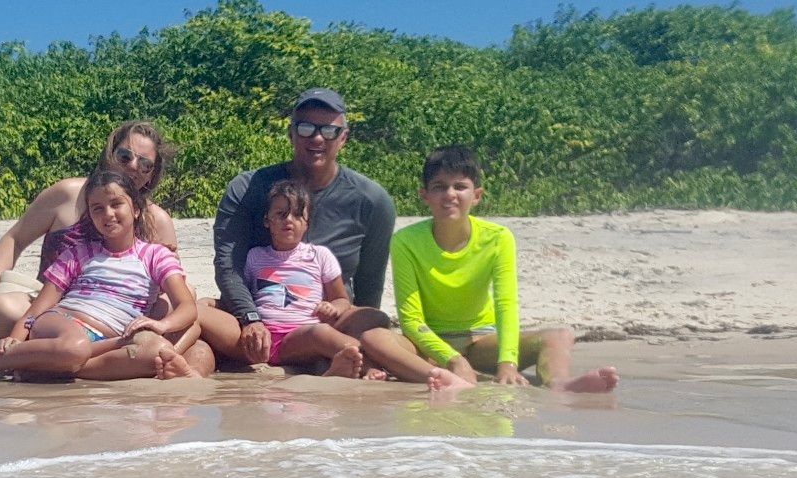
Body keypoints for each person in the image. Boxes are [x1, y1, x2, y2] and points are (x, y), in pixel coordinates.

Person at [0, 120, 213, 376]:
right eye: (125, 156)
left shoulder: (157, 220)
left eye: (145, 164)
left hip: (117, 315)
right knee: (1, 307)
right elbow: (13, 239)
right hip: (52, 307)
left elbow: (171, 286)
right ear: (110, 154)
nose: (133, 166)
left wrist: (157, 323)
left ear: (153, 173)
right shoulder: (67, 194)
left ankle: (57, 362)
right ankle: (104, 359)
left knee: (190, 308)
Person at [378, 145, 620, 393]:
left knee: (559, 336)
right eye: (439, 187)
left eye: (460, 187)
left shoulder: (498, 238)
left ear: (477, 195)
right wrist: (454, 359)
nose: (449, 194)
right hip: (428, 346)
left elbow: (506, 303)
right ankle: (445, 374)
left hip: (481, 341)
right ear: (424, 195)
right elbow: (411, 321)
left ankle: (559, 383)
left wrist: (507, 362)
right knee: (375, 338)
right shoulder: (405, 241)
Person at [202, 88, 397, 368]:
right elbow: (228, 267)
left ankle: (368, 362)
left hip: (324, 325)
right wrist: (251, 318)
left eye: (329, 130)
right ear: (291, 134)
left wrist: (346, 318)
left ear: (343, 137)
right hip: (255, 322)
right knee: (200, 308)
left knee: (374, 318)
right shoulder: (246, 189)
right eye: (305, 128)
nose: (317, 138)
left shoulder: (374, 202)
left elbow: (369, 289)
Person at [207, 179, 368, 378]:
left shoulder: (319, 256)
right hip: (256, 339)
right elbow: (244, 296)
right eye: (281, 214)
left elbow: (342, 299)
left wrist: (333, 308)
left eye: (298, 214)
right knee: (198, 309)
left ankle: (370, 364)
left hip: (298, 337)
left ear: (307, 223)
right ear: (267, 220)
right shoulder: (255, 256)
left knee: (320, 333)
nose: (289, 220)